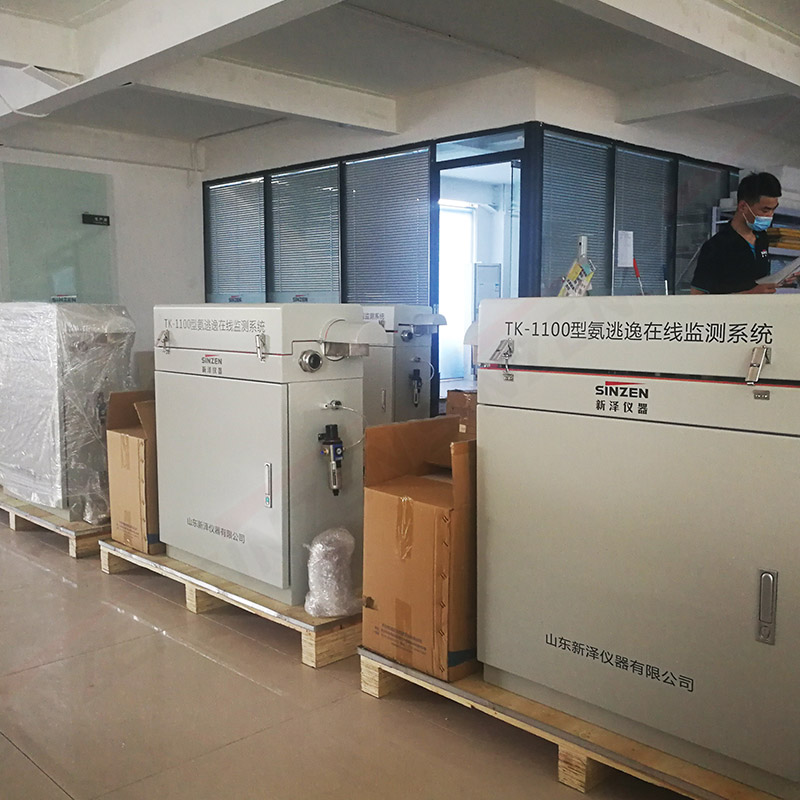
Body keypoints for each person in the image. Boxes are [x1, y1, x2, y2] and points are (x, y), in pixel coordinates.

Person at [691, 172, 782, 295]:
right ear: (743, 206)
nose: (770, 215)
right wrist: (749, 294)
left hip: (760, 307)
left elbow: (758, 281)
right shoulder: (716, 246)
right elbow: (697, 296)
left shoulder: (762, 238)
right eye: (765, 210)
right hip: (730, 308)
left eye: (773, 210)